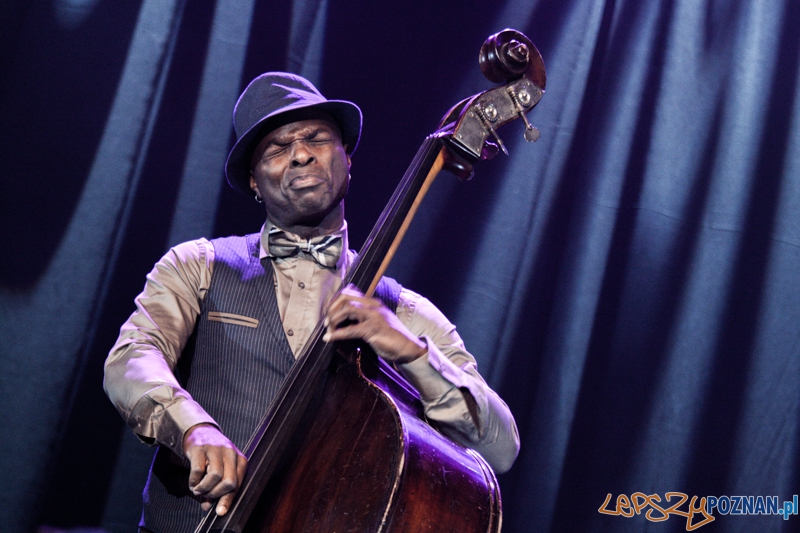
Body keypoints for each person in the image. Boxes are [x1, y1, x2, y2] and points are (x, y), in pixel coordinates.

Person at [104, 72, 519, 533]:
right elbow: (131, 358)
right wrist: (192, 427)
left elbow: (500, 447)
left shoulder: (404, 312)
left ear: (346, 159)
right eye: (277, 149)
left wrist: (410, 351)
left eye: (317, 138)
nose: (301, 154)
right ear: (254, 181)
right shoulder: (197, 265)